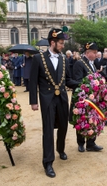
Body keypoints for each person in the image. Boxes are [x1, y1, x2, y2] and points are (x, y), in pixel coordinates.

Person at [29, 28, 79, 178]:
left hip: (62, 97)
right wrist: (33, 101)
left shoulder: (64, 58)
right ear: (53, 42)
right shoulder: (39, 58)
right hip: (47, 99)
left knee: (63, 126)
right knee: (48, 129)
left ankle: (61, 149)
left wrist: (84, 83)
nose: (63, 46)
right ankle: (48, 162)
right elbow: (33, 82)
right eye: (61, 43)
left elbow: (68, 80)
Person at [69, 42, 103, 153]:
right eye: (94, 52)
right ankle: (80, 143)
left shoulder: (92, 64)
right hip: (83, 97)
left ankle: (91, 143)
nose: (96, 54)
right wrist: (90, 86)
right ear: (88, 53)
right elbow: (78, 80)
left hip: (92, 98)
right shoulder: (80, 63)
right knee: (81, 120)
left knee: (92, 120)